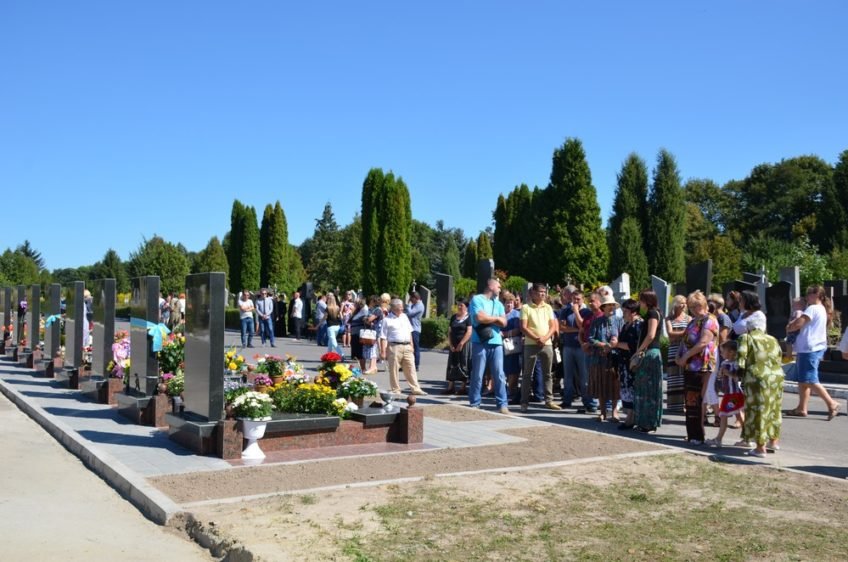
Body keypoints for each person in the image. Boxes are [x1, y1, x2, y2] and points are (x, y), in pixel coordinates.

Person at [785, 285, 841, 420]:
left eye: (811, 293)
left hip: (809, 348)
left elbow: (798, 324)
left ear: (818, 296)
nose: (807, 295)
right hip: (812, 347)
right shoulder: (821, 309)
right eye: (808, 293)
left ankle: (831, 403)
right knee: (803, 380)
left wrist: (789, 327)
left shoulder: (812, 308)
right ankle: (801, 408)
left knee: (809, 379)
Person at [736, 314, 784, 457]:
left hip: (757, 378)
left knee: (758, 410)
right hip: (776, 376)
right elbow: (779, 356)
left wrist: (736, 374)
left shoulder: (746, 338)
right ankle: (773, 442)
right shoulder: (773, 339)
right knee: (774, 408)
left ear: (749, 327)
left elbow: (741, 360)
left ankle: (760, 447)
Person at [675, 291, 719, 445]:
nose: (694, 309)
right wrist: (679, 355)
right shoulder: (693, 321)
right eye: (692, 306)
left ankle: (698, 435)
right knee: (690, 400)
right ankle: (692, 433)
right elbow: (684, 340)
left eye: (696, 306)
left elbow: (703, 342)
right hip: (690, 365)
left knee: (697, 399)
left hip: (702, 365)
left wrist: (685, 356)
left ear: (703, 304)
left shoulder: (710, 320)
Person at [468, 278, 509, 414]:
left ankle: (502, 404)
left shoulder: (499, 304)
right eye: (498, 286)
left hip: (496, 342)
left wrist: (490, 318)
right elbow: (479, 318)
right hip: (480, 342)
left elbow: (504, 323)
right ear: (491, 286)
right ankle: (475, 403)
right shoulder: (477, 299)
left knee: (499, 374)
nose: (500, 289)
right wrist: (496, 318)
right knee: (478, 374)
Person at [520, 283, 559, 413]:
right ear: (533, 293)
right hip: (531, 344)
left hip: (546, 344)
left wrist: (545, 338)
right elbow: (523, 327)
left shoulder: (548, 307)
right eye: (540, 292)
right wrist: (537, 338)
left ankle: (549, 400)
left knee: (548, 374)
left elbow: (553, 326)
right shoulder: (526, 307)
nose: (543, 294)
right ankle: (524, 402)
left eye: (544, 292)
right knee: (527, 374)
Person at [379, 298, 427, 395]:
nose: (402, 309)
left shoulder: (404, 316)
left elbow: (409, 331)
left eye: (402, 307)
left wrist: (411, 345)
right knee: (394, 369)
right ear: (393, 308)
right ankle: (396, 389)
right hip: (394, 346)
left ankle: (415, 388)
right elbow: (383, 337)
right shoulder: (386, 320)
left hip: (407, 346)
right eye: (399, 308)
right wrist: (383, 351)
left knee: (411, 367)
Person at [586, 290, 620, 421]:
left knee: (615, 385)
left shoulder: (619, 321)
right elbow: (590, 338)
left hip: (614, 357)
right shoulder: (597, 321)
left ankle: (615, 412)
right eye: (609, 305)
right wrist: (603, 345)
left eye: (613, 305)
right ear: (603, 307)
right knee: (601, 384)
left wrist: (614, 344)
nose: (611, 307)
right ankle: (603, 412)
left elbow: (622, 337)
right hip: (599, 358)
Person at [633, 289, 664, 433]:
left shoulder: (652, 313)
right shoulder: (655, 313)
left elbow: (651, 335)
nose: (639, 303)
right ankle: (646, 422)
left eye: (641, 300)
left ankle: (648, 423)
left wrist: (639, 350)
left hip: (650, 353)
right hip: (652, 352)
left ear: (646, 301)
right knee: (648, 389)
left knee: (648, 389)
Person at [706, 340, 744, 448]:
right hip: (728, 394)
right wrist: (720, 373)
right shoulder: (724, 363)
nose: (721, 354)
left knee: (724, 415)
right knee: (738, 414)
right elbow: (720, 377)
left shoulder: (736, 364)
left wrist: (729, 374)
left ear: (731, 352)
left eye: (723, 352)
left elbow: (738, 377)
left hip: (733, 394)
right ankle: (747, 437)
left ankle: (719, 439)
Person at [559, 289, 592, 411]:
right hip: (568, 346)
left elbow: (583, 325)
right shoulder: (565, 310)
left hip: (581, 347)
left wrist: (577, 312)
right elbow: (562, 327)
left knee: (584, 376)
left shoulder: (587, 312)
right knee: (567, 375)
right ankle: (567, 400)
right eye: (574, 299)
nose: (576, 301)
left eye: (578, 299)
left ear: (583, 299)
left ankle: (587, 401)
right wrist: (577, 330)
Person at [614, 299, 643, 430]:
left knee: (632, 388)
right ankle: (630, 416)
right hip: (623, 362)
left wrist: (617, 344)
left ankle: (631, 418)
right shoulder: (626, 325)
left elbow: (634, 345)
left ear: (633, 312)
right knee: (626, 389)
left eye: (625, 311)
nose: (623, 314)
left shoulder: (638, 325)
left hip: (633, 362)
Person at [665, 295, 690, 414]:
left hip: (685, 350)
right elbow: (670, 334)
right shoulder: (669, 318)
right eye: (681, 303)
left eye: (685, 303)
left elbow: (689, 334)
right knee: (674, 377)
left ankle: (685, 404)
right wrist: (684, 332)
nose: (684, 305)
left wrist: (678, 334)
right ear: (675, 304)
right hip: (673, 350)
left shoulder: (689, 318)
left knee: (684, 377)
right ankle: (674, 405)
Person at [445, 298, 472, 395]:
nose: (459, 307)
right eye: (458, 305)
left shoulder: (469, 317)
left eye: (462, 305)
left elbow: (469, 332)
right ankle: (450, 387)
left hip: (464, 345)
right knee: (452, 364)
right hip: (454, 344)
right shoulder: (454, 317)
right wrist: (451, 344)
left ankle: (463, 387)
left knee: (463, 364)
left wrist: (461, 343)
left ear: (466, 307)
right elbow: (449, 332)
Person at [501, 292, 522, 404]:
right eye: (507, 303)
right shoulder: (500, 314)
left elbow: (518, 330)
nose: (509, 305)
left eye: (511, 303)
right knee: (502, 367)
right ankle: (502, 389)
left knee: (513, 369)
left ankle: (511, 389)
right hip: (500, 345)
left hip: (512, 345)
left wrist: (505, 334)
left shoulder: (516, 315)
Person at [348, 298, 369, 371]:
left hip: (360, 334)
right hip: (354, 334)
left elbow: (366, 319)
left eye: (356, 303)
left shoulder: (364, 310)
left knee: (360, 352)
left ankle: (363, 368)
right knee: (356, 353)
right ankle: (360, 368)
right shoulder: (357, 311)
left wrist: (365, 320)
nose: (354, 304)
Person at [406, 291, 425, 371]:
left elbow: (410, 313)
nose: (410, 300)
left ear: (415, 298)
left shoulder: (419, 306)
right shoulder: (415, 305)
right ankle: (408, 364)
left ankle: (416, 365)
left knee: (415, 347)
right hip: (410, 328)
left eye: (411, 298)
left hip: (415, 329)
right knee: (408, 347)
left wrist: (409, 305)